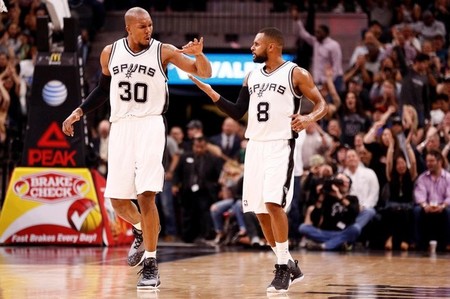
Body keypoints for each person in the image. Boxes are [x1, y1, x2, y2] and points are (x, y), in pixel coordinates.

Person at [61, 7, 212, 290]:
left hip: (150, 124)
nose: (148, 30)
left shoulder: (163, 51)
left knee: (146, 195)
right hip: (120, 126)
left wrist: (199, 54)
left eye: (150, 25)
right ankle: (143, 229)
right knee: (117, 201)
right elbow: (102, 91)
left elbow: (204, 72)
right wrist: (78, 112)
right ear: (128, 28)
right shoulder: (110, 52)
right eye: (142, 26)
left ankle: (151, 264)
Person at [188, 27, 328, 293]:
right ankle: (288, 262)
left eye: (256, 44)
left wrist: (309, 118)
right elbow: (238, 110)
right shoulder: (251, 76)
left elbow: (323, 104)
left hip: (280, 145)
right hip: (254, 147)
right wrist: (210, 91)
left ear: (272, 47)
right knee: (259, 211)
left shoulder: (296, 73)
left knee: (275, 205)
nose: (251, 48)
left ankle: (282, 268)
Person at [299, 172, 360, 251]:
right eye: (340, 181)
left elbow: (354, 212)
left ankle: (324, 245)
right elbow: (315, 219)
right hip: (325, 232)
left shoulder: (353, 199)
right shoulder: (328, 197)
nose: (344, 184)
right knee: (303, 227)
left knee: (356, 229)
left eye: (346, 182)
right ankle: (338, 243)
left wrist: (339, 197)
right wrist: (321, 197)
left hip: (343, 231)